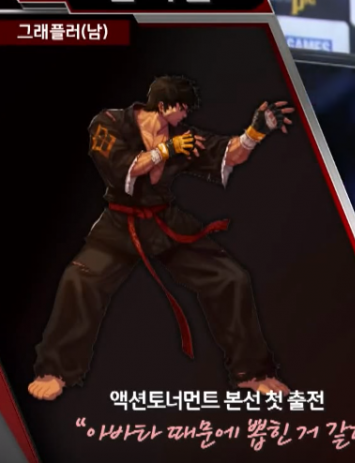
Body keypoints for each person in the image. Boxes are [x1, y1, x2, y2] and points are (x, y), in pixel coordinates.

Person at [29, 76, 294, 401]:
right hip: (120, 223)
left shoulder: (183, 137)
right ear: (165, 105)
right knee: (78, 280)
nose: (186, 115)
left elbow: (228, 153)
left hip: (164, 222)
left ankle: (252, 372)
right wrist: (166, 150)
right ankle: (55, 370)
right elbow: (122, 167)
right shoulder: (109, 123)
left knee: (230, 278)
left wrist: (255, 132)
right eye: (183, 108)